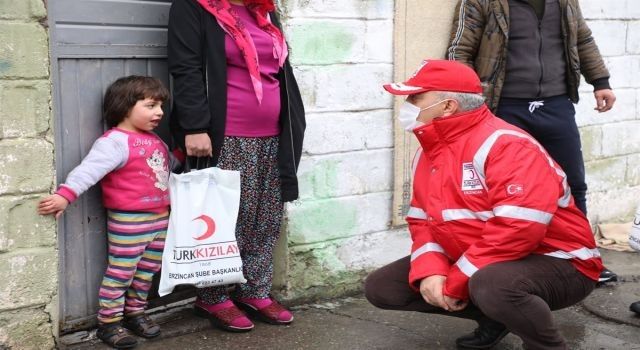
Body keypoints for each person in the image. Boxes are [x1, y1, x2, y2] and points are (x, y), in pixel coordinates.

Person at [364, 59, 603, 350]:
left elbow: (518, 229)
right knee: (383, 288)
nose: (408, 105)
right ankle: (498, 318)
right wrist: (431, 270)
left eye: (416, 97)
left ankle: (547, 345)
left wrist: (455, 281)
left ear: (448, 106)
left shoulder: (507, 145)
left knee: (492, 286)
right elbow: (423, 220)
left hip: (563, 261)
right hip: (487, 257)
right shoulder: (429, 151)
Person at [446, 0, 618, 286]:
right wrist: (471, 102)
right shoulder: (481, 1)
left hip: (556, 104)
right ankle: (502, 264)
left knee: (573, 184)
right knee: (508, 190)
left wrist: (600, 81)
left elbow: (582, 37)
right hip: (504, 106)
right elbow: (458, 51)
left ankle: (583, 259)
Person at [167, 0, 305, 332]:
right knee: (222, 217)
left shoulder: (266, 12)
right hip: (223, 134)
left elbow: (279, 69)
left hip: (275, 134)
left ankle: (254, 289)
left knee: (266, 215)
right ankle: (212, 295)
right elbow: (185, 67)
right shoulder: (194, 7)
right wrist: (195, 125)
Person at [38, 76, 177, 349]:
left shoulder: (154, 139)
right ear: (125, 106)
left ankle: (136, 313)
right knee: (121, 271)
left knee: (147, 271)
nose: (159, 112)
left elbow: (168, 166)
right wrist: (65, 195)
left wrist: (185, 157)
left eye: (160, 106)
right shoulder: (114, 142)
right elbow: (89, 170)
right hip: (130, 220)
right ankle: (109, 323)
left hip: (160, 218)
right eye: (150, 105)